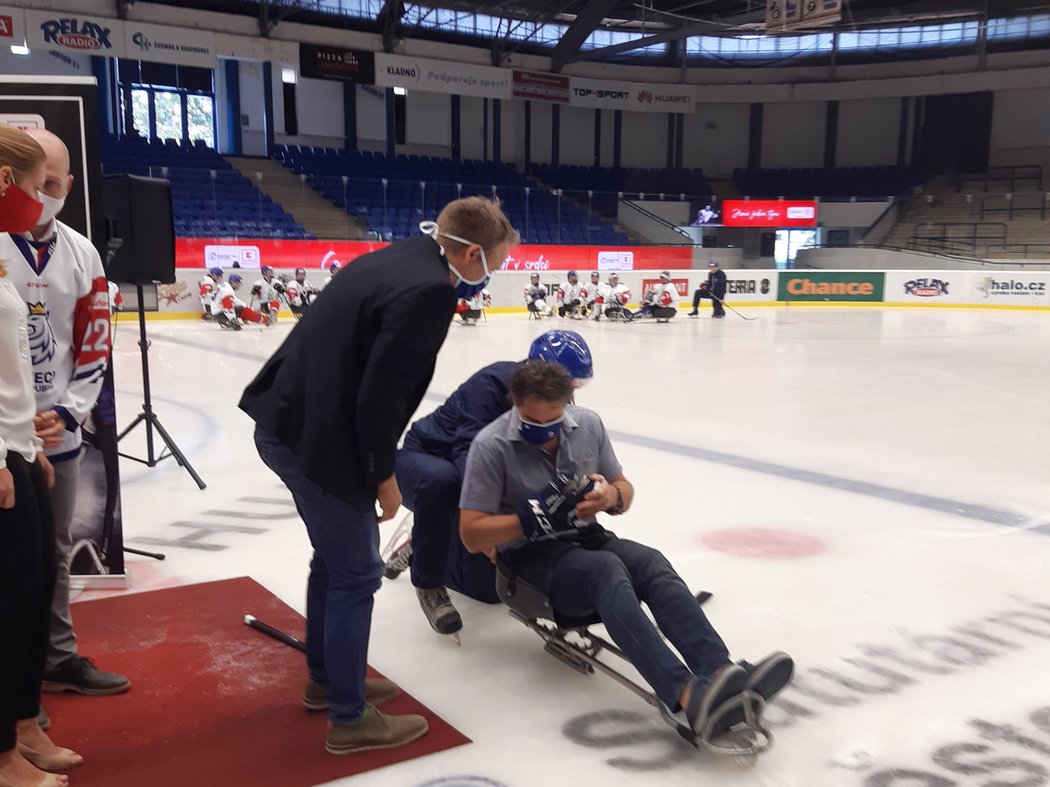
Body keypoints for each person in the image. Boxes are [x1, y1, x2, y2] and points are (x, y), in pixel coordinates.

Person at [240, 197, 518, 756]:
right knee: (358, 573)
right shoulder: (431, 291)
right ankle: (348, 718)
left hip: (295, 420)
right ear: (469, 253)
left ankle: (327, 679)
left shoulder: (398, 259)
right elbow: (381, 397)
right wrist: (382, 473)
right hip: (317, 440)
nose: (495, 274)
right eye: (496, 262)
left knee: (335, 562)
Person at [459, 360, 794, 742]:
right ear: (516, 405)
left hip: (585, 538)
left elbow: (624, 489)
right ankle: (686, 696)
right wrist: (529, 519)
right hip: (527, 561)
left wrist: (609, 498)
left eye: (554, 421)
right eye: (534, 425)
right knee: (606, 571)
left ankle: (718, 673)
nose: (545, 433)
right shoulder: (491, 446)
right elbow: (471, 535)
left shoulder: (588, 425)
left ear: (568, 403)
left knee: (649, 562)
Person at [4, 128, 130, 699]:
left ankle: (53, 658)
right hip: (6, 434)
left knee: (51, 549)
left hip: (57, 431)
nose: (44, 193)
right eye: (37, 182)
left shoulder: (83, 253)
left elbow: (94, 343)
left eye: (54, 184)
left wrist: (70, 413)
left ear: (69, 185)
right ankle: (16, 682)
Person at [391, 330, 594, 637]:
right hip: (427, 459)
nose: (572, 393)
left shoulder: (555, 399)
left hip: (468, 469)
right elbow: (468, 459)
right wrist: (496, 525)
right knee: (443, 481)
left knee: (489, 590)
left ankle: (423, 544)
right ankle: (428, 582)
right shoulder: (491, 385)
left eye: (577, 385)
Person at [0, 125, 83, 787]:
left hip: (20, 445)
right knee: (7, 602)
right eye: (32, 186)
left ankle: (24, 726)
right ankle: (4, 753)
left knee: (30, 592)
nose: (38, 200)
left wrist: (28, 444)